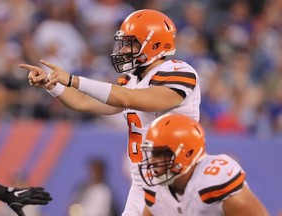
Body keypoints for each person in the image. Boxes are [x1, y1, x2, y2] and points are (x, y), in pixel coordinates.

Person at [19, 9, 201, 215]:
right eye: (123, 43)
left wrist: (73, 79)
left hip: (176, 181)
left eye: (131, 43)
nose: (123, 50)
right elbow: (82, 103)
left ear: (156, 44)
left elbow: (128, 98)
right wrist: (51, 84)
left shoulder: (178, 72)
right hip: (143, 183)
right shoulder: (131, 79)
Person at [138, 113, 270, 216]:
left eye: (159, 154)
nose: (152, 162)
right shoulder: (156, 191)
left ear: (188, 153)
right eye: (152, 154)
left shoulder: (214, 182)